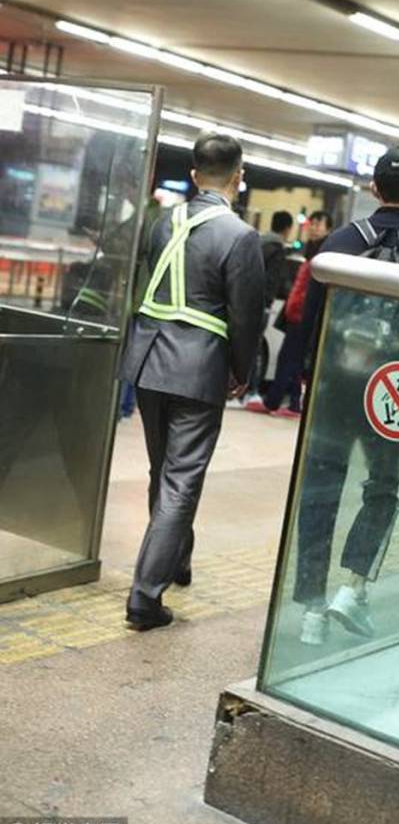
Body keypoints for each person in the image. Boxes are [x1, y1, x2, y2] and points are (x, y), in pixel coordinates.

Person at [295, 146, 399, 646]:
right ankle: (352, 589)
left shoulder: (341, 242)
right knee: (384, 488)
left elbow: (310, 321)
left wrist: (305, 380)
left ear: (373, 189)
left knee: (320, 491)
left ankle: (311, 612)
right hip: (391, 395)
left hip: (334, 388)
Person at [119, 133, 265, 631]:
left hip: (148, 362)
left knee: (163, 471)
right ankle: (145, 597)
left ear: (196, 175)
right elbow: (246, 317)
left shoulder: (164, 222)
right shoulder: (240, 236)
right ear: (238, 178)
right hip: (198, 368)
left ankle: (175, 559)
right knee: (181, 481)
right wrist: (242, 371)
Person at [249, 211, 333, 417]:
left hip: (305, 314)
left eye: (319, 224)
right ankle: (291, 403)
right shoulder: (310, 249)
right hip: (296, 313)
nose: (314, 228)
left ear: (328, 229)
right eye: (312, 223)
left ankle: (278, 403)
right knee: (292, 359)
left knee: (290, 358)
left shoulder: (326, 252)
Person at [243, 210, 294, 407]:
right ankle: (252, 392)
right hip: (261, 306)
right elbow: (273, 280)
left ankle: (237, 391)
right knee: (255, 351)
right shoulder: (278, 249)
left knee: (244, 347)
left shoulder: (258, 242)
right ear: (288, 229)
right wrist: (267, 303)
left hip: (245, 301)